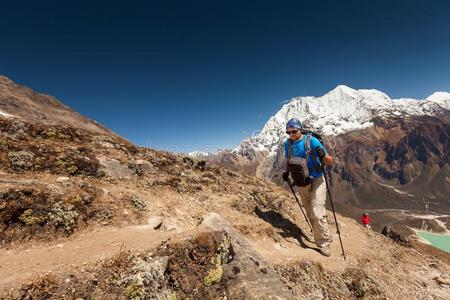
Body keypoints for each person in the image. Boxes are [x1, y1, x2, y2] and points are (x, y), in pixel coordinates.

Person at [282, 118, 334, 257]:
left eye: (294, 131)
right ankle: (323, 236)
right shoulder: (288, 144)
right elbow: (288, 159)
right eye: (288, 132)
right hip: (301, 181)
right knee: (310, 213)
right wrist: (287, 172)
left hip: (317, 179)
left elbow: (329, 161)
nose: (291, 134)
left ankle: (324, 243)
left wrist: (322, 155)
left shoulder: (312, 141)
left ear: (300, 129)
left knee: (317, 213)